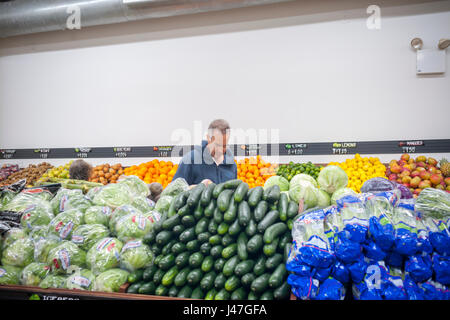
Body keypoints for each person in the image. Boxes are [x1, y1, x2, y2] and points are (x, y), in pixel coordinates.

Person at [172, 119, 237, 185]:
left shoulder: (232, 165)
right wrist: (197, 187)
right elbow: (174, 191)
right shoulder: (190, 160)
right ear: (208, 138)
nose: (221, 150)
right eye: (217, 145)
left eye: (224, 145)